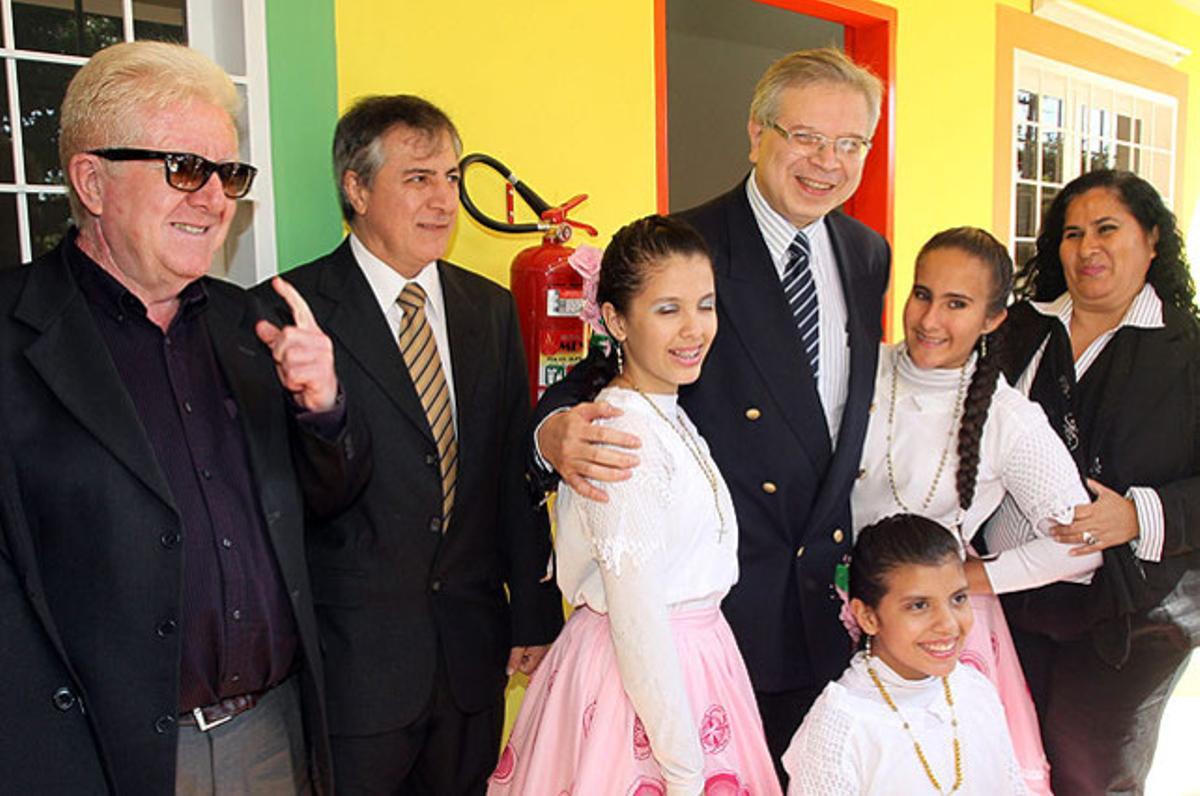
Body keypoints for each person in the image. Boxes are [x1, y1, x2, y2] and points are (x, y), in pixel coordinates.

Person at [0, 41, 370, 794]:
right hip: (97, 754)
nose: (213, 199)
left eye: (228, 175)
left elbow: (328, 504)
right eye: (183, 169)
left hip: (271, 737)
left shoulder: (256, 326)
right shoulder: (14, 337)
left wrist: (325, 411)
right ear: (92, 181)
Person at [531, 47, 891, 780]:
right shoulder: (687, 242)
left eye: (850, 143)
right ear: (756, 133)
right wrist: (553, 430)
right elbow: (606, 372)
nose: (828, 161)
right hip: (720, 613)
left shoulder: (866, 252)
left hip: (822, 598)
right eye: (806, 137)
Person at [274, 94, 563, 795]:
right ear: (356, 186)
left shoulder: (487, 309)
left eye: (452, 178)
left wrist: (531, 608)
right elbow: (286, 498)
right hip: (355, 665)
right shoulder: (289, 313)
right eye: (418, 178)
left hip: (471, 652)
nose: (443, 200)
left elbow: (506, 471)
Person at [490, 215, 778, 796]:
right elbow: (639, 617)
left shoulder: (666, 414)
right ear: (617, 320)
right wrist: (682, 769)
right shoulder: (624, 433)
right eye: (667, 309)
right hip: (640, 682)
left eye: (705, 305)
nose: (694, 329)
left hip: (692, 666)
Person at [851, 227, 1101, 791]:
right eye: (922, 294)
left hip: (932, 630)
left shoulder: (1009, 417)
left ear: (993, 319)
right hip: (835, 607)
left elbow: (1081, 549)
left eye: (957, 304)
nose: (930, 319)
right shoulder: (859, 370)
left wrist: (965, 578)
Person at [992, 169, 1200, 795]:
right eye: (1072, 234)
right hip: (1014, 596)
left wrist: (1140, 515)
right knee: (1009, 761)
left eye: (1108, 229)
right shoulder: (1017, 331)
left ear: (1153, 239)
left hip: (1135, 612)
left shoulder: (1187, 351)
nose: (1088, 249)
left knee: (1091, 776)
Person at [783, 514, 1028, 795]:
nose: (948, 624)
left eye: (958, 599)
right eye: (919, 605)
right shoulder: (842, 725)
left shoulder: (975, 689)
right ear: (867, 616)